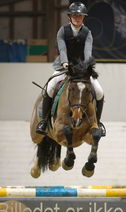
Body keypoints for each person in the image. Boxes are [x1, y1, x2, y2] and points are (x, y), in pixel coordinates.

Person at [36, 1, 105, 136]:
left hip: (81, 69)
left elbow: (87, 51)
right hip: (64, 66)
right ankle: (44, 121)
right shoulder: (63, 31)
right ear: (70, 17)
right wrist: (65, 62)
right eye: (74, 15)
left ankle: (99, 122)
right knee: (50, 87)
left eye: (80, 16)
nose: (77, 18)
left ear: (84, 17)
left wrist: (85, 66)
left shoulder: (87, 33)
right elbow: (62, 48)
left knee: (99, 91)